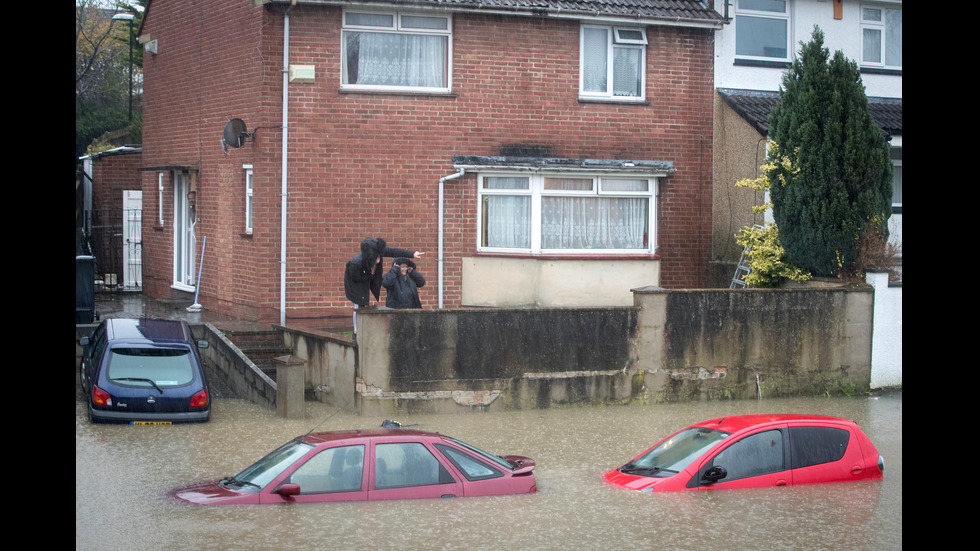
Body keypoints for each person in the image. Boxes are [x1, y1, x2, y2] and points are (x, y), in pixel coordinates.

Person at [343, 237, 422, 339]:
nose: (379, 259)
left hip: (367, 275)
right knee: (359, 303)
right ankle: (356, 332)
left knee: (363, 303)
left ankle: (362, 330)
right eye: (376, 258)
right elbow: (356, 278)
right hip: (354, 283)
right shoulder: (355, 263)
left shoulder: (378, 251)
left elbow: (393, 251)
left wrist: (412, 254)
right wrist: (370, 275)